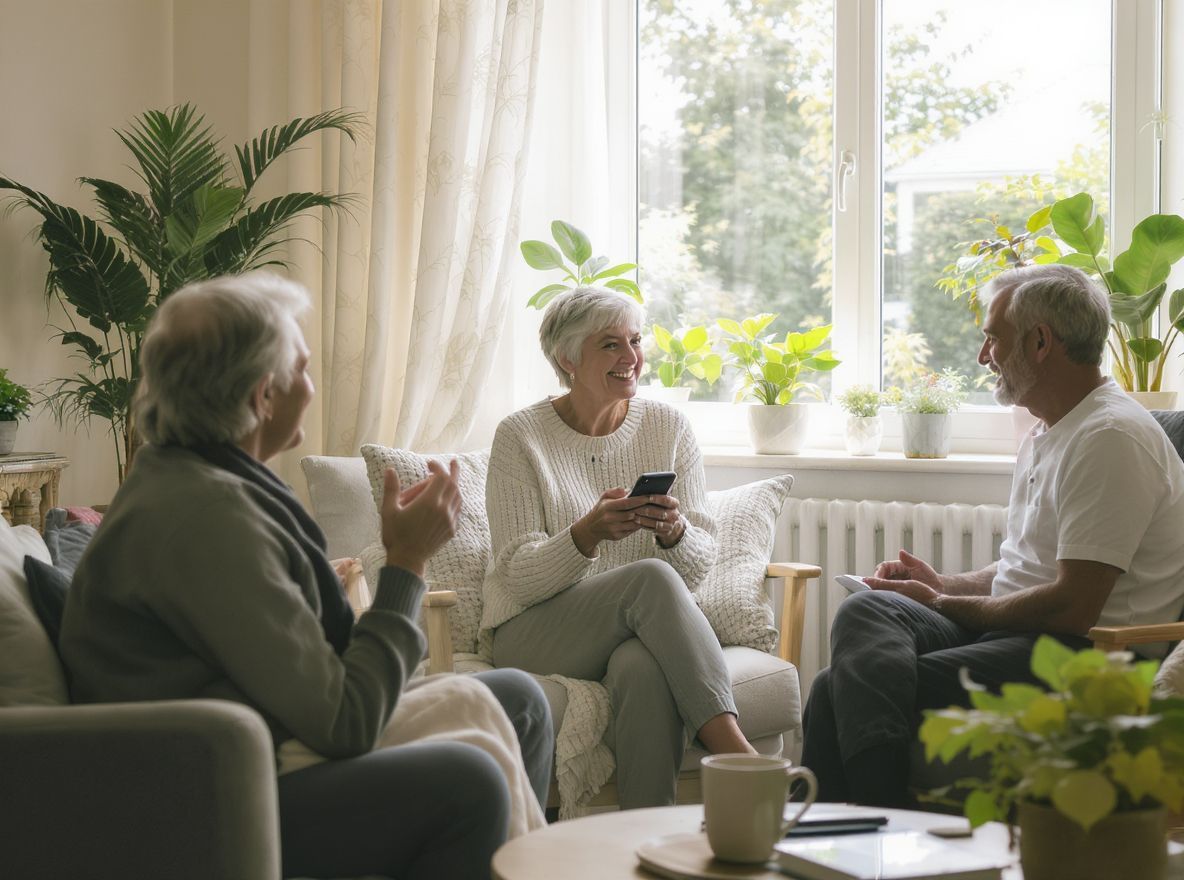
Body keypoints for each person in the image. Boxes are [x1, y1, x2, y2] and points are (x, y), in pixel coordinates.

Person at [59, 273, 552, 880]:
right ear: (264, 396)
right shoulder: (204, 518)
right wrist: (406, 562)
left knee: (520, 700)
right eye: (305, 369)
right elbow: (345, 721)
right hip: (212, 790)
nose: (313, 388)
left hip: (268, 738)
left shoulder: (200, 481)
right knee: (469, 779)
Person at [801, 263, 1184, 807]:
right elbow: (1028, 568)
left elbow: (1073, 606)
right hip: (1024, 636)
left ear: (1040, 342)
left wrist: (941, 603)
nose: (984, 356)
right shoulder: (1048, 430)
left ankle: (873, 822)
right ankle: (851, 835)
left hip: (1088, 656)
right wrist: (944, 585)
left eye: (992, 338)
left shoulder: (1110, 438)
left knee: (832, 689)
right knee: (868, 610)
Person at [481, 285, 754, 810]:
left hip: (631, 633)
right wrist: (586, 534)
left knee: (642, 667)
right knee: (648, 579)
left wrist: (673, 532)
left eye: (634, 340)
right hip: (533, 630)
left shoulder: (668, 426)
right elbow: (517, 575)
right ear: (567, 358)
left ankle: (641, 842)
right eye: (610, 344)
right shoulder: (520, 436)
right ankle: (737, 756)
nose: (631, 358)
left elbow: (697, 570)